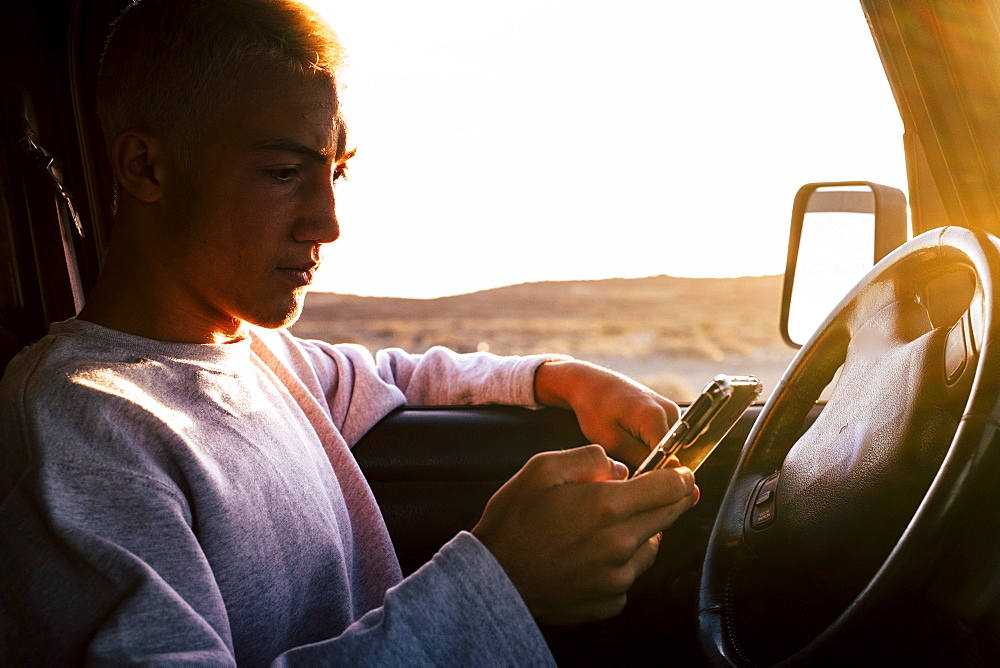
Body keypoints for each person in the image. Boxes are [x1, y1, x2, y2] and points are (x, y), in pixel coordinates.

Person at [0, 0, 699, 664]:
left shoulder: (261, 356)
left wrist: (558, 378)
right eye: (283, 172)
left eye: (334, 173)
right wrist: (498, 590)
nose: (329, 224)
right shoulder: (82, 428)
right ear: (146, 168)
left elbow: (400, 375)